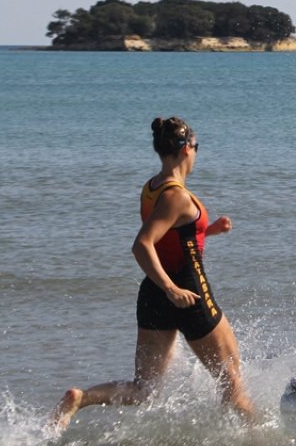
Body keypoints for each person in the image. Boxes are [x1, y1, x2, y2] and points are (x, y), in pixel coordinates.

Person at [51, 117, 256, 431]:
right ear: (186, 148)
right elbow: (142, 245)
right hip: (188, 294)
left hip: (153, 295)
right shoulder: (177, 197)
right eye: (197, 147)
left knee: (144, 390)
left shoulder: (153, 187)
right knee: (233, 385)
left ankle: (81, 398)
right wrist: (173, 288)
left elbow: (171, 237)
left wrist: (208, 231)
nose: (197, 153)